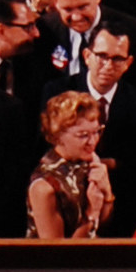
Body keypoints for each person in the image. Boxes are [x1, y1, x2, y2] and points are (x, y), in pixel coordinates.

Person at [27, 90, 114, 240]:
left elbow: (105, 224)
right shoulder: (44, 187)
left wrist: (107, 194)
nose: (92, 142)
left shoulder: (90, 162)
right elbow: (60, 255)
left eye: (96, 132)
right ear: (58, 136)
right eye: (83, 135)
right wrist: (91, 213)